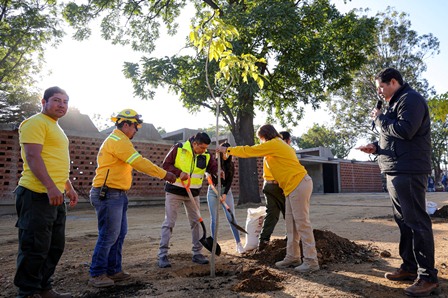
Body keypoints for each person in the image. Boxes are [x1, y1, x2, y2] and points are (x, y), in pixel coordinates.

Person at [357, 68, 439, 296]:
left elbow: (405, 131)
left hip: (410, 170)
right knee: (404, 222)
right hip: (395, 169)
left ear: (393, 82)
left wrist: (380, 118)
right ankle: (410, 268)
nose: (380, 92)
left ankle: (427, 277)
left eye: (381, 87)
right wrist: (376, 146)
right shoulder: (396, 103)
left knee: (417, 222)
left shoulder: (410, 99)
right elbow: (392, 135)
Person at [88, 109, 176, 288]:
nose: (136, 131)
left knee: (119, 234)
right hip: (108, 194)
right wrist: (164, 174)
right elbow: (139, 162)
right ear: (126, 124)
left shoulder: (120, 140)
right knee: (109, 235)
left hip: (117, 194)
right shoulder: (118, 140)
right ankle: (97, 274)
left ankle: (114, 270)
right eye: (135, 127)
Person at [216, 124, 319, 273]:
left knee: (302, 224)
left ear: (265, 136)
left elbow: (250, 151)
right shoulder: (279, 145)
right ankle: (293, 256)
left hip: (298, 184)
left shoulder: (274, 144)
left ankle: (311, 261)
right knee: (291, 224)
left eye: (261, 139)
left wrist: (228, 149)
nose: (261, 142)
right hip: (291, 186)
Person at [14, 86, 79, 298]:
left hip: (56, 195)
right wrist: (51, 187)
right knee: (35, 246)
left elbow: (54, 161)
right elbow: (33, 157)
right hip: (36, 194)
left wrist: (68, 187)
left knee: (54, 246)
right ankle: (28, 292)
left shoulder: (56, 128)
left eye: (65, 101)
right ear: (44, 102)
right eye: (57, 100)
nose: (62, 105)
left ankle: (44, 288)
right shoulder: (35, 122)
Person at [158, 132, 218, 268]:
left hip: (193, 193)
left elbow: (213, 166)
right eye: (202, 147)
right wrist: (179, 173)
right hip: (174, 191)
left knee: (196, 223)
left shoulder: (206, 154)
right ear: (194, 143)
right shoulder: (178, 148)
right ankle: (162, 255)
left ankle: (197, 253)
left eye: (206, 148)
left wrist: (217, 171)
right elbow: (166, 165)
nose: (204, 150)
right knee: (169, 223)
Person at [206, 142, 245, 254]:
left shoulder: (231, 164)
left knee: (231, 217)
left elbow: (229, 181)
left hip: (226, 192)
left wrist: (224, 194)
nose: (226, 153)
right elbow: (208, 175)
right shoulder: (214, 162)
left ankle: (238, 244)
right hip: (212, 192)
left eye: (227, 151)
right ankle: (214, 245)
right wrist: (209, 178)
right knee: (214, 219)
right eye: (224, 150)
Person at [257, 131, 289, 251]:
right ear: (286, 141)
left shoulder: (269, 149)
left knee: (271, 214)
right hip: (277, 186)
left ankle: (263, 241)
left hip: (267, 185)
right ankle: (291, 239)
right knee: (289, 213)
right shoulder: (281, 150)